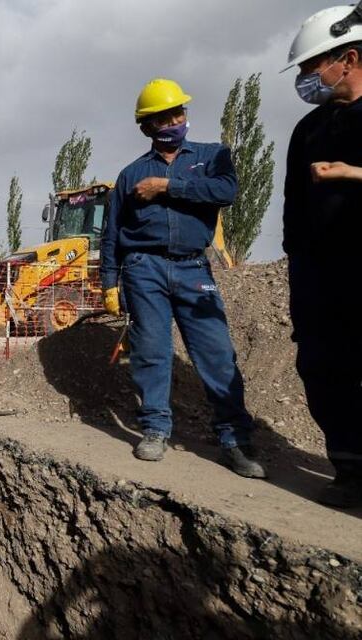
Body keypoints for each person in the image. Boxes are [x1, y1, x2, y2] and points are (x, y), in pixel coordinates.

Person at [99, 79, 265, 479]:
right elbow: (112, 233)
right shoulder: (130, 174)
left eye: (179, 113)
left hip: (193, 267)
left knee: (216, 353)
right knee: (152, 352)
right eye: (164, 117)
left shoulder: (212, 157)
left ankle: (234, 440)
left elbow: (226, 192)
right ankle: (155, 429)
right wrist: (109, 282)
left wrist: (168, 187)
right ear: (146, 127)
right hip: (144, 269)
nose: (175, 121)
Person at [282, 4, 362, 507]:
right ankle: (351, 469)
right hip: (320, 273)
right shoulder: (308, 130)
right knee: (323, 366)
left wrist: (355, 174)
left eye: (313, 67)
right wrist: (297, 263)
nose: (308, 79)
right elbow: (293, 205)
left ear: (349, 57)